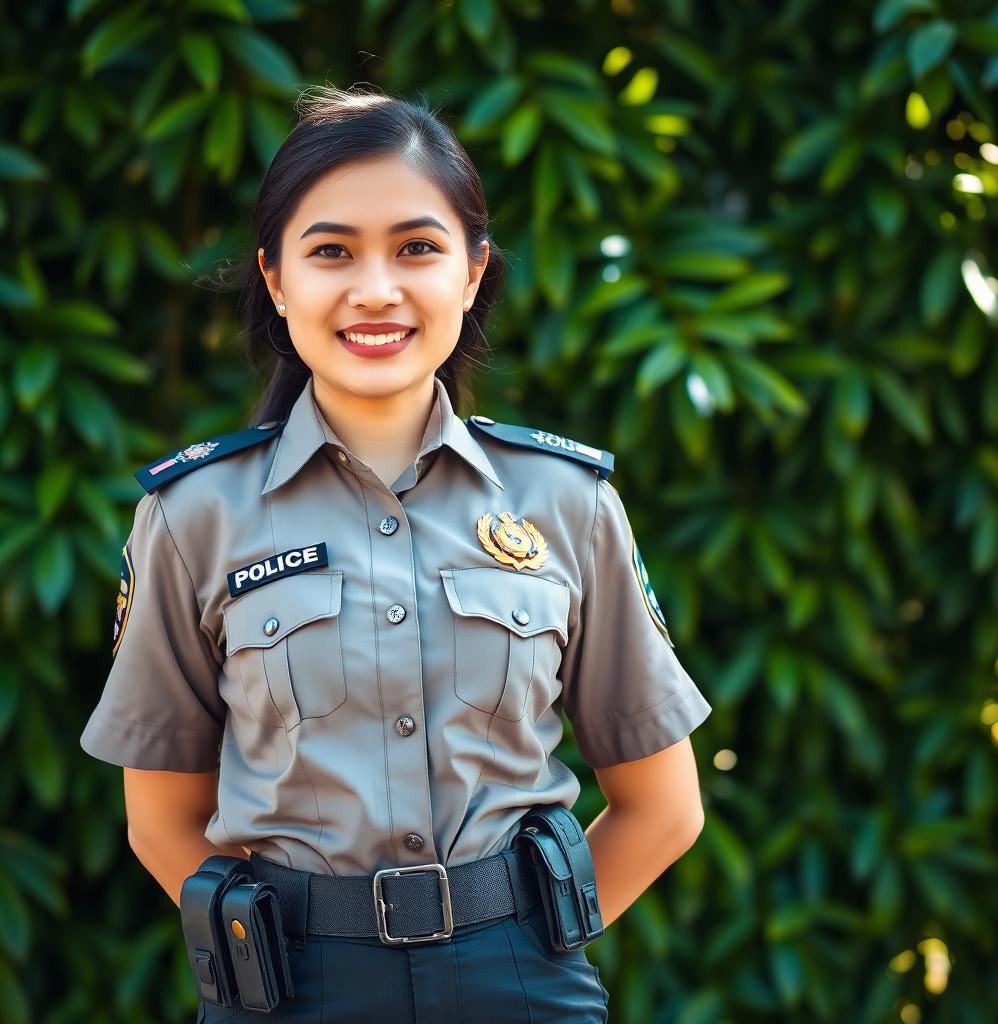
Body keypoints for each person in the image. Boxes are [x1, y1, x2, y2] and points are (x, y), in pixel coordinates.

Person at [79, 84, 713, 1024]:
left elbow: (663, 808)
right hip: (292, 990)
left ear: (472, 270)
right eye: (331, 251)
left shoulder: (566, 503)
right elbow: (162, 821)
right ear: (276, 277)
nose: (375, 289)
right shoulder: (194, 514)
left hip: (523, 986)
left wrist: (529, 944)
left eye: (417, 248)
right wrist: (267, 956)